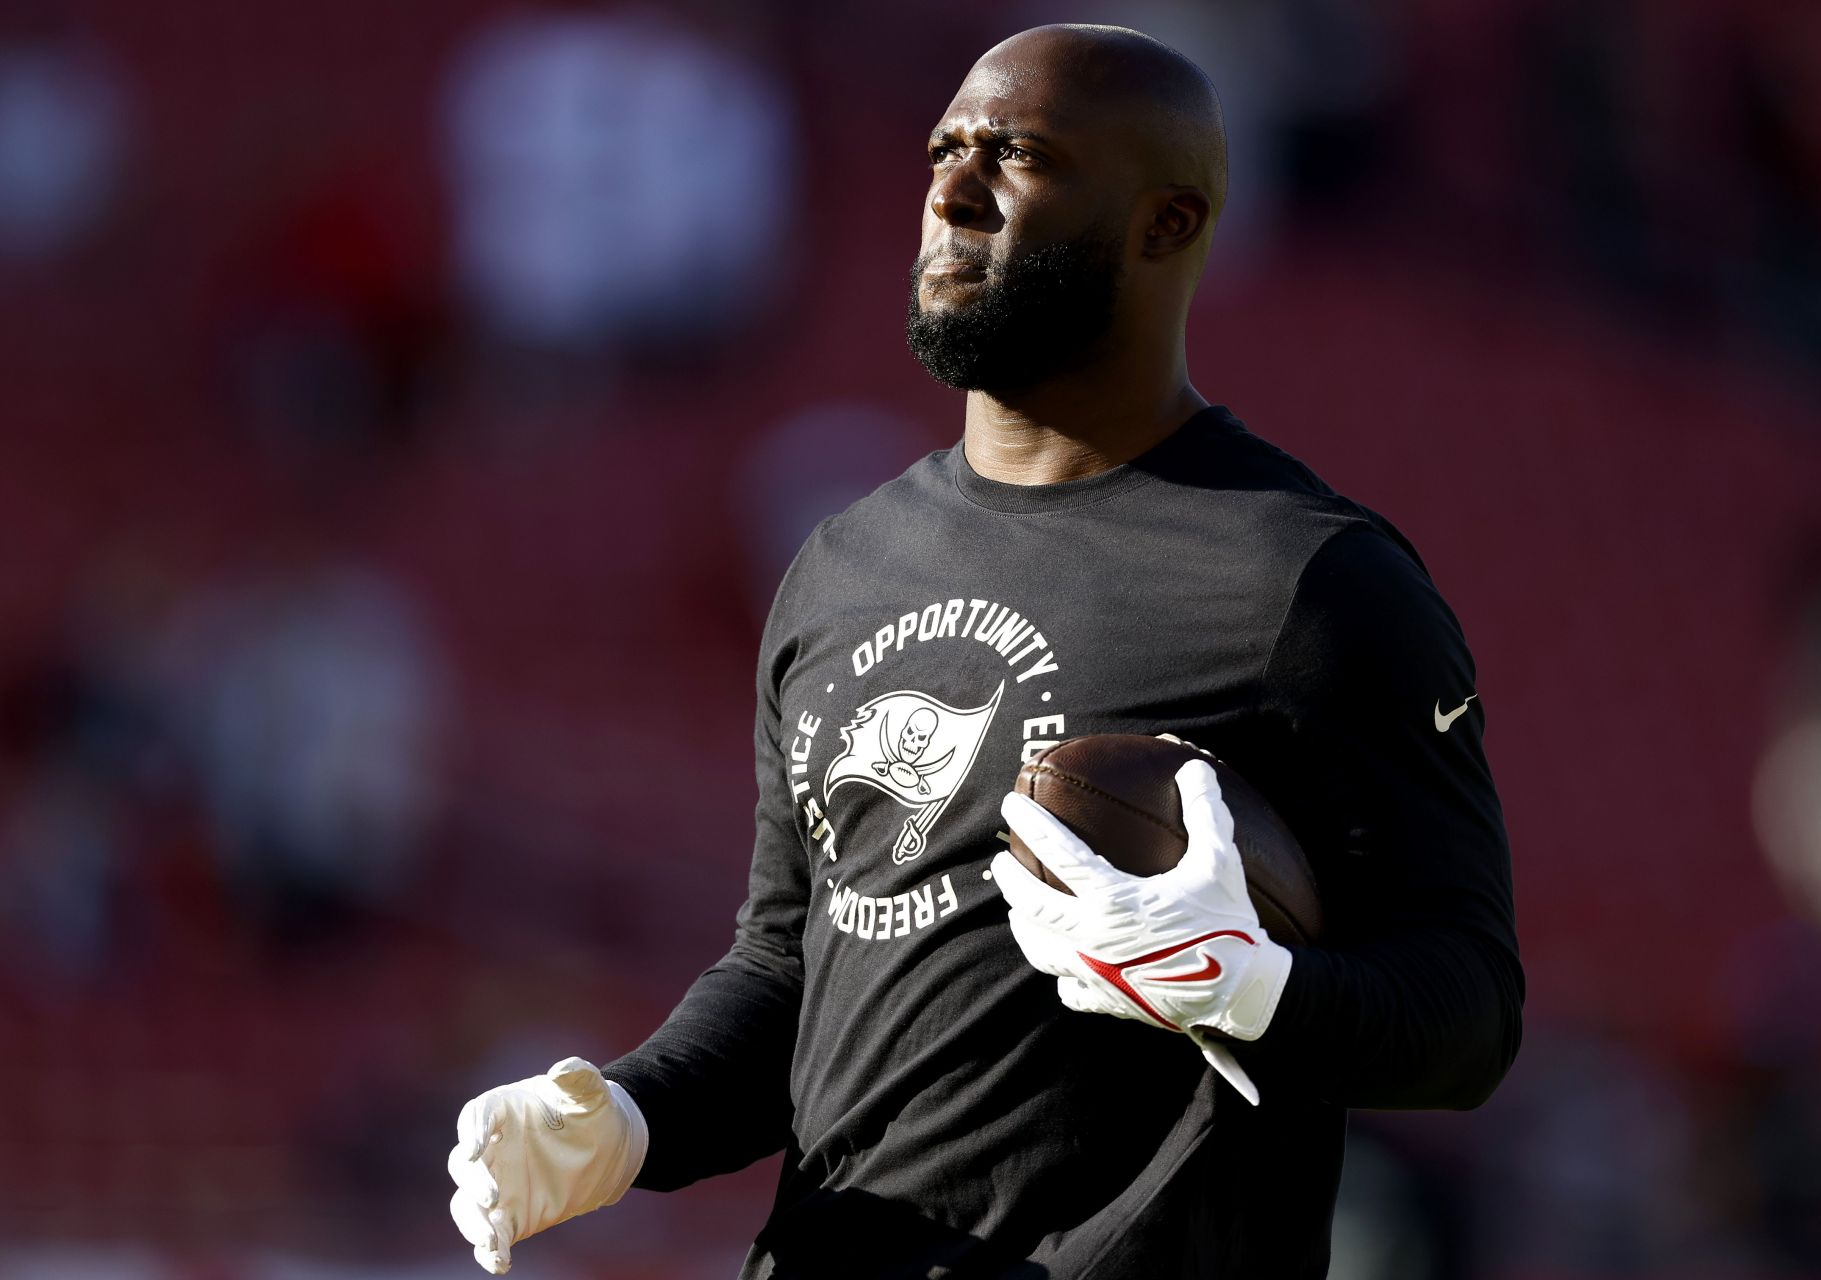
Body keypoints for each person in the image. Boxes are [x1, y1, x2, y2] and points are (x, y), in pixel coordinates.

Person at [446, 23, 1522, 1279]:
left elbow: (1469, 1008)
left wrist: (1254, 990)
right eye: (943, 150)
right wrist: (631, 1117)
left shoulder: (1312, 578)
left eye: (1017, 156)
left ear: (1165, 223)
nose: (951, 188)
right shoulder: (841, 565)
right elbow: (797, 959)